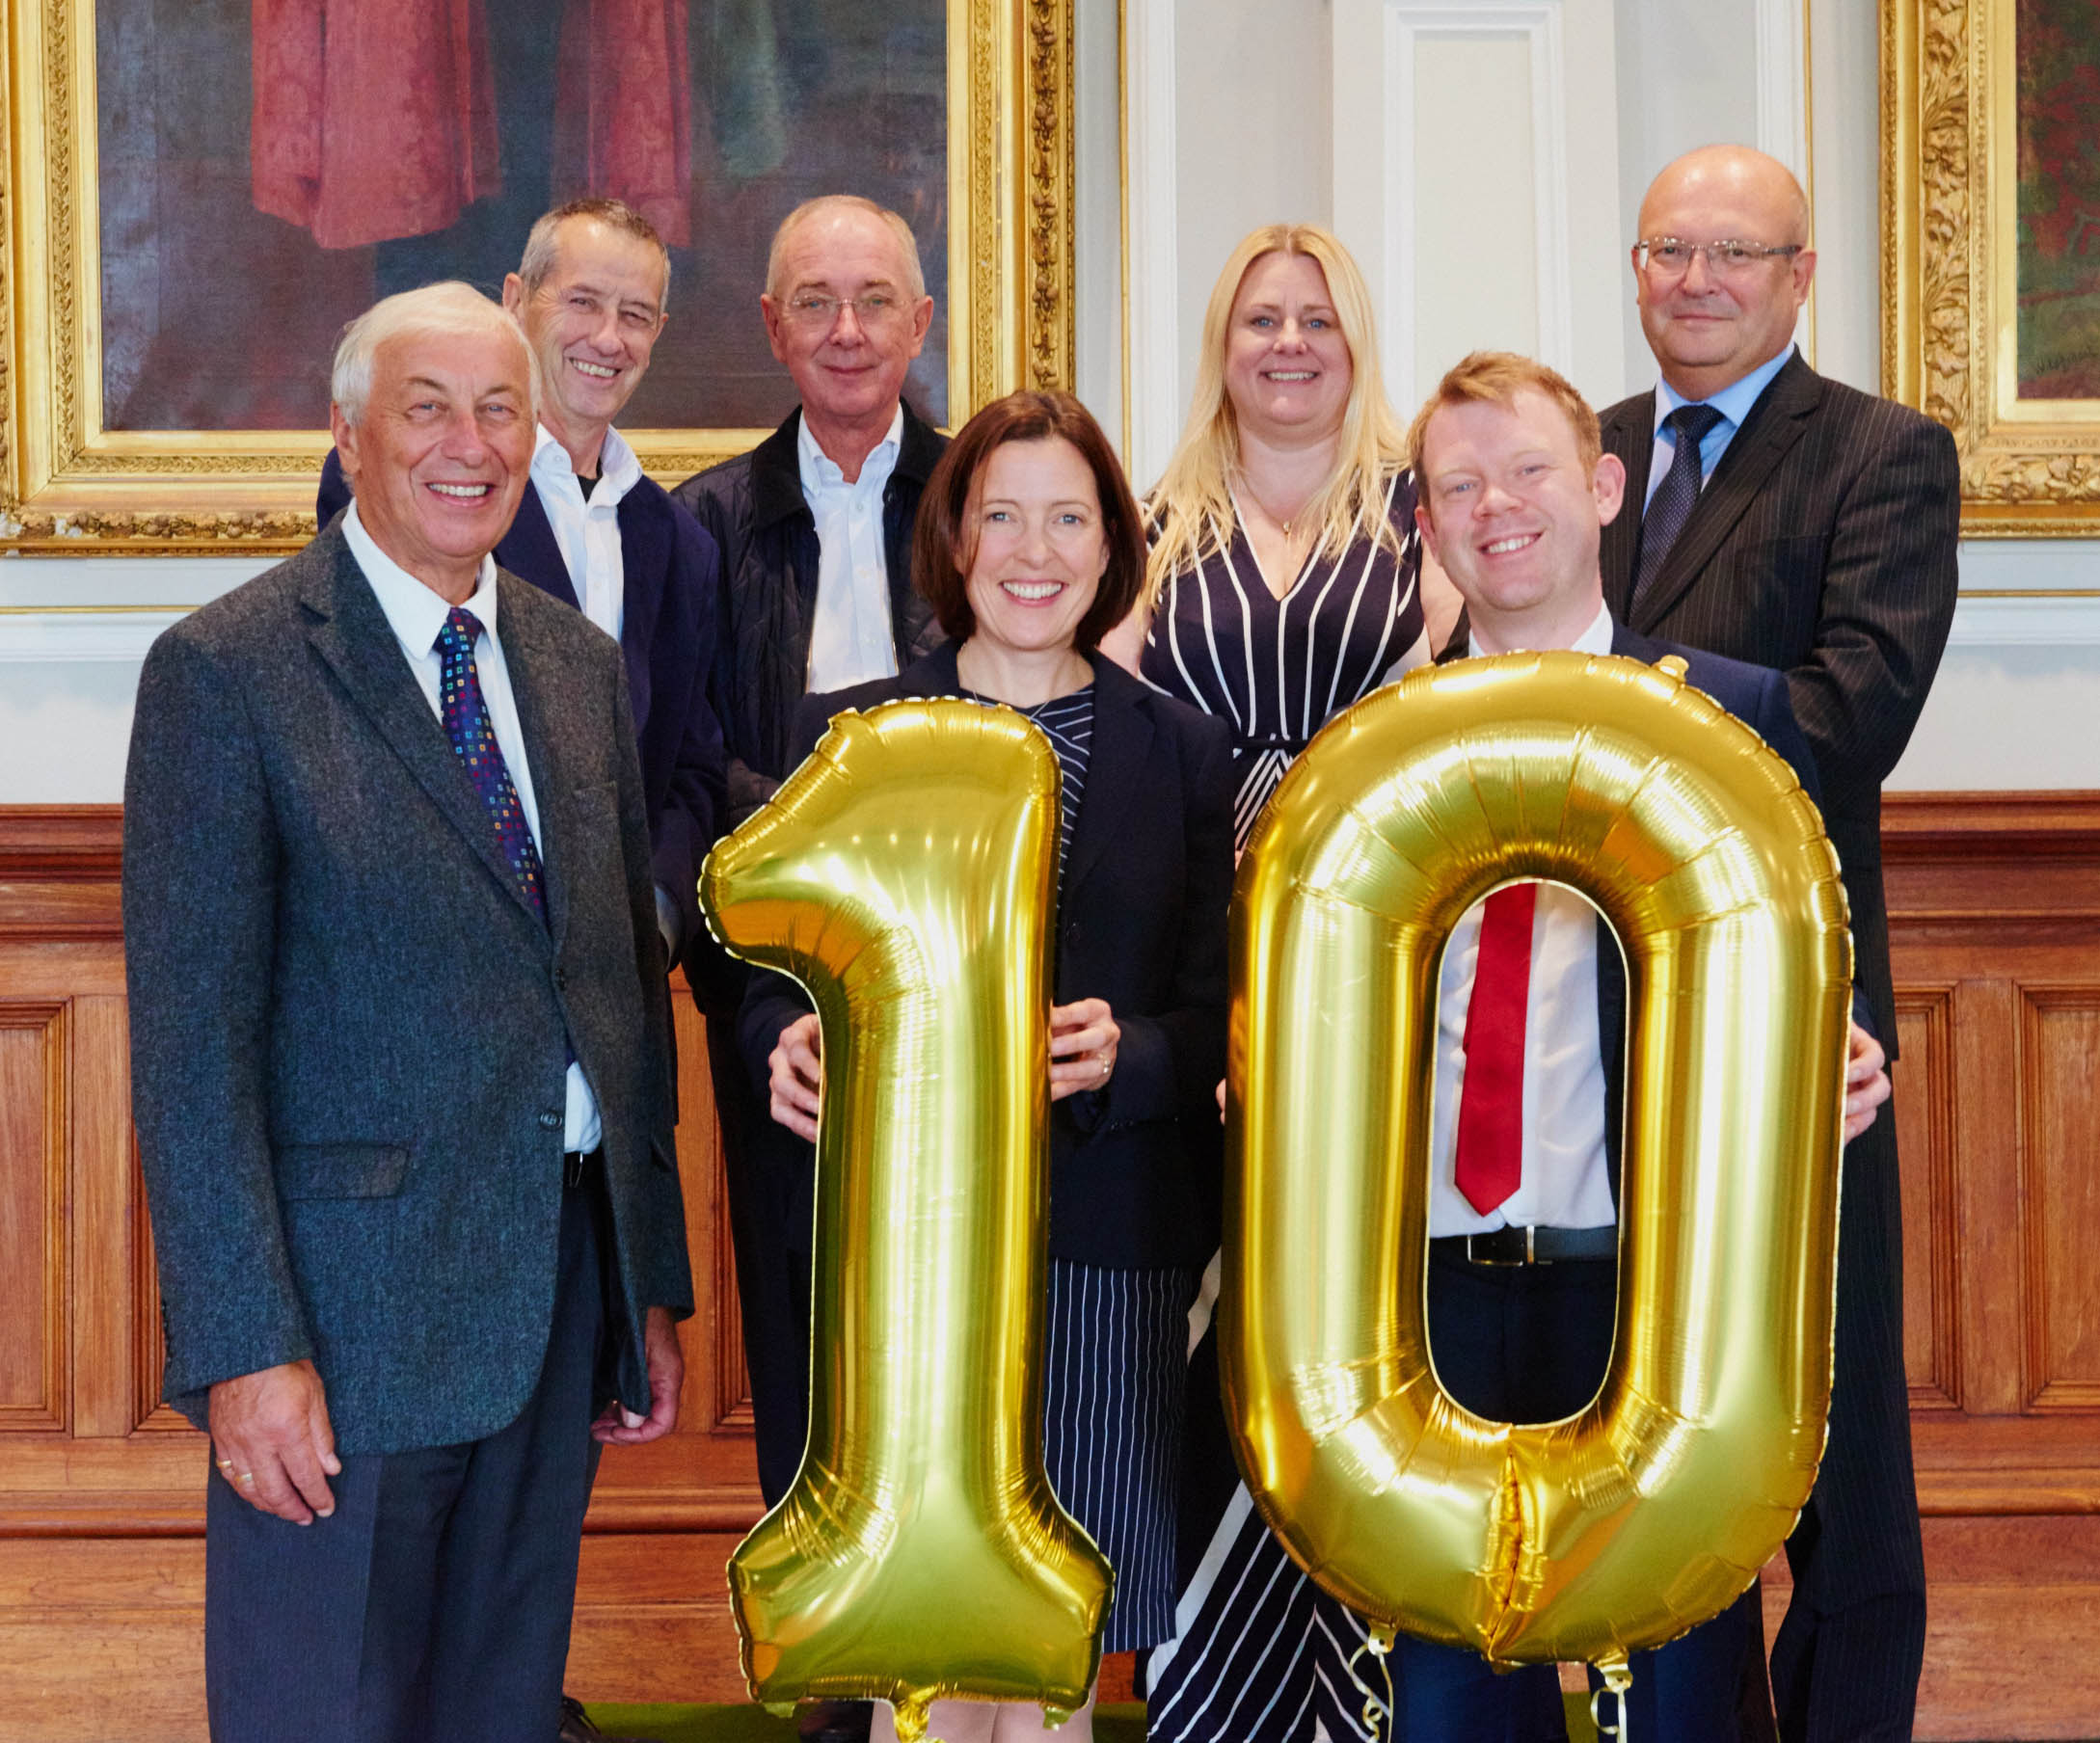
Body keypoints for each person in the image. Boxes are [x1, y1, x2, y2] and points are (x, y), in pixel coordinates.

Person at [123, 282, 693, 1743]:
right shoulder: (229, 672)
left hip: (555, 1298)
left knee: (501, 1711)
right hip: (344, 1330)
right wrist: (245, 1349)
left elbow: (618, 983)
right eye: (427, 407)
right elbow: (192, 1057)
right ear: (349, 433)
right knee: (326, 1713)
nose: (471, 443)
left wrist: (645, 1283)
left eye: (500, 408)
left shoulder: (573, 665)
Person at [1333, 348, 1883, 1740]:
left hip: (1650, 1286)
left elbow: (1814, 940)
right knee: (1453, 1689)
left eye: (1526, 470)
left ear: (1602, 486)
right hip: (1429, 1291)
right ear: (1424, 522)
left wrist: (1842, 1046)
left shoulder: (1729, 714)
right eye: (1456, 484)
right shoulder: (1376, 742)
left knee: (1684, 1689)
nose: (1494, 506)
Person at [743, 389, 1236, 1743]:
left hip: (1101, 1248)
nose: (1035, 548)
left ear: (1111, 545)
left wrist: (1129, 1054)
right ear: (953, 540)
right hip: (904, 1264)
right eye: (1001, 514)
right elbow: (773, 964)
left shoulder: (1180, 752)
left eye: (1068, 517)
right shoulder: (849, 734)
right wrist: (782, 1042)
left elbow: (1213, 1009)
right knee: (924, 1636)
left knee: (1057, 1640)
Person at [1601, 144, 1959, 1741]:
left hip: (1800, 1016)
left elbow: (1845, 713)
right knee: (1655, 1421)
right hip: (1596, 1014)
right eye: (1668, 250)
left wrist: (1608, 674)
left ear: (1797, 274)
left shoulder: (1880, 453)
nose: (1695, 279)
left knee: (1830, 1443)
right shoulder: (1582, 452)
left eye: (1732, 252)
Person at [1128, 223, 1445, 1743]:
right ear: (1222, 341)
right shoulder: (1152, 518)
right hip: (1202, 964)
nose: (1287, 343)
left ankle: (1362, 1682)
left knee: (1353, 1311)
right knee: (1215, 1303)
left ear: (1352, 335)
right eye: (1259, 318)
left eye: (1315, 316)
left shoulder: (1424, 510)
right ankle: (1216, 1682)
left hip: (1377, 968)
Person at [673, 201, 952, 1726]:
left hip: (968, 1005)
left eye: (876, 302)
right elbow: (699, 778)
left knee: (953, 1341)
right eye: (815, 305)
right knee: (803, 1346)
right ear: (773, 331)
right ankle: (841, 1687)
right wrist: (776, 1003)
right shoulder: (701, 528)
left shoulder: (986, 500)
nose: (847, 331)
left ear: (921, 326)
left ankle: (954, 1676)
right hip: (780, 1026)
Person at [318, 197, 725, 983]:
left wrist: (655, 921)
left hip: (612, 1009)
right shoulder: (420, 485)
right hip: (425, 986)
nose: (608, 338)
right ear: (514, 300)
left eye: (636, 314)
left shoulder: (679, 544)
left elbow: (691, 773)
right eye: (582, 302)